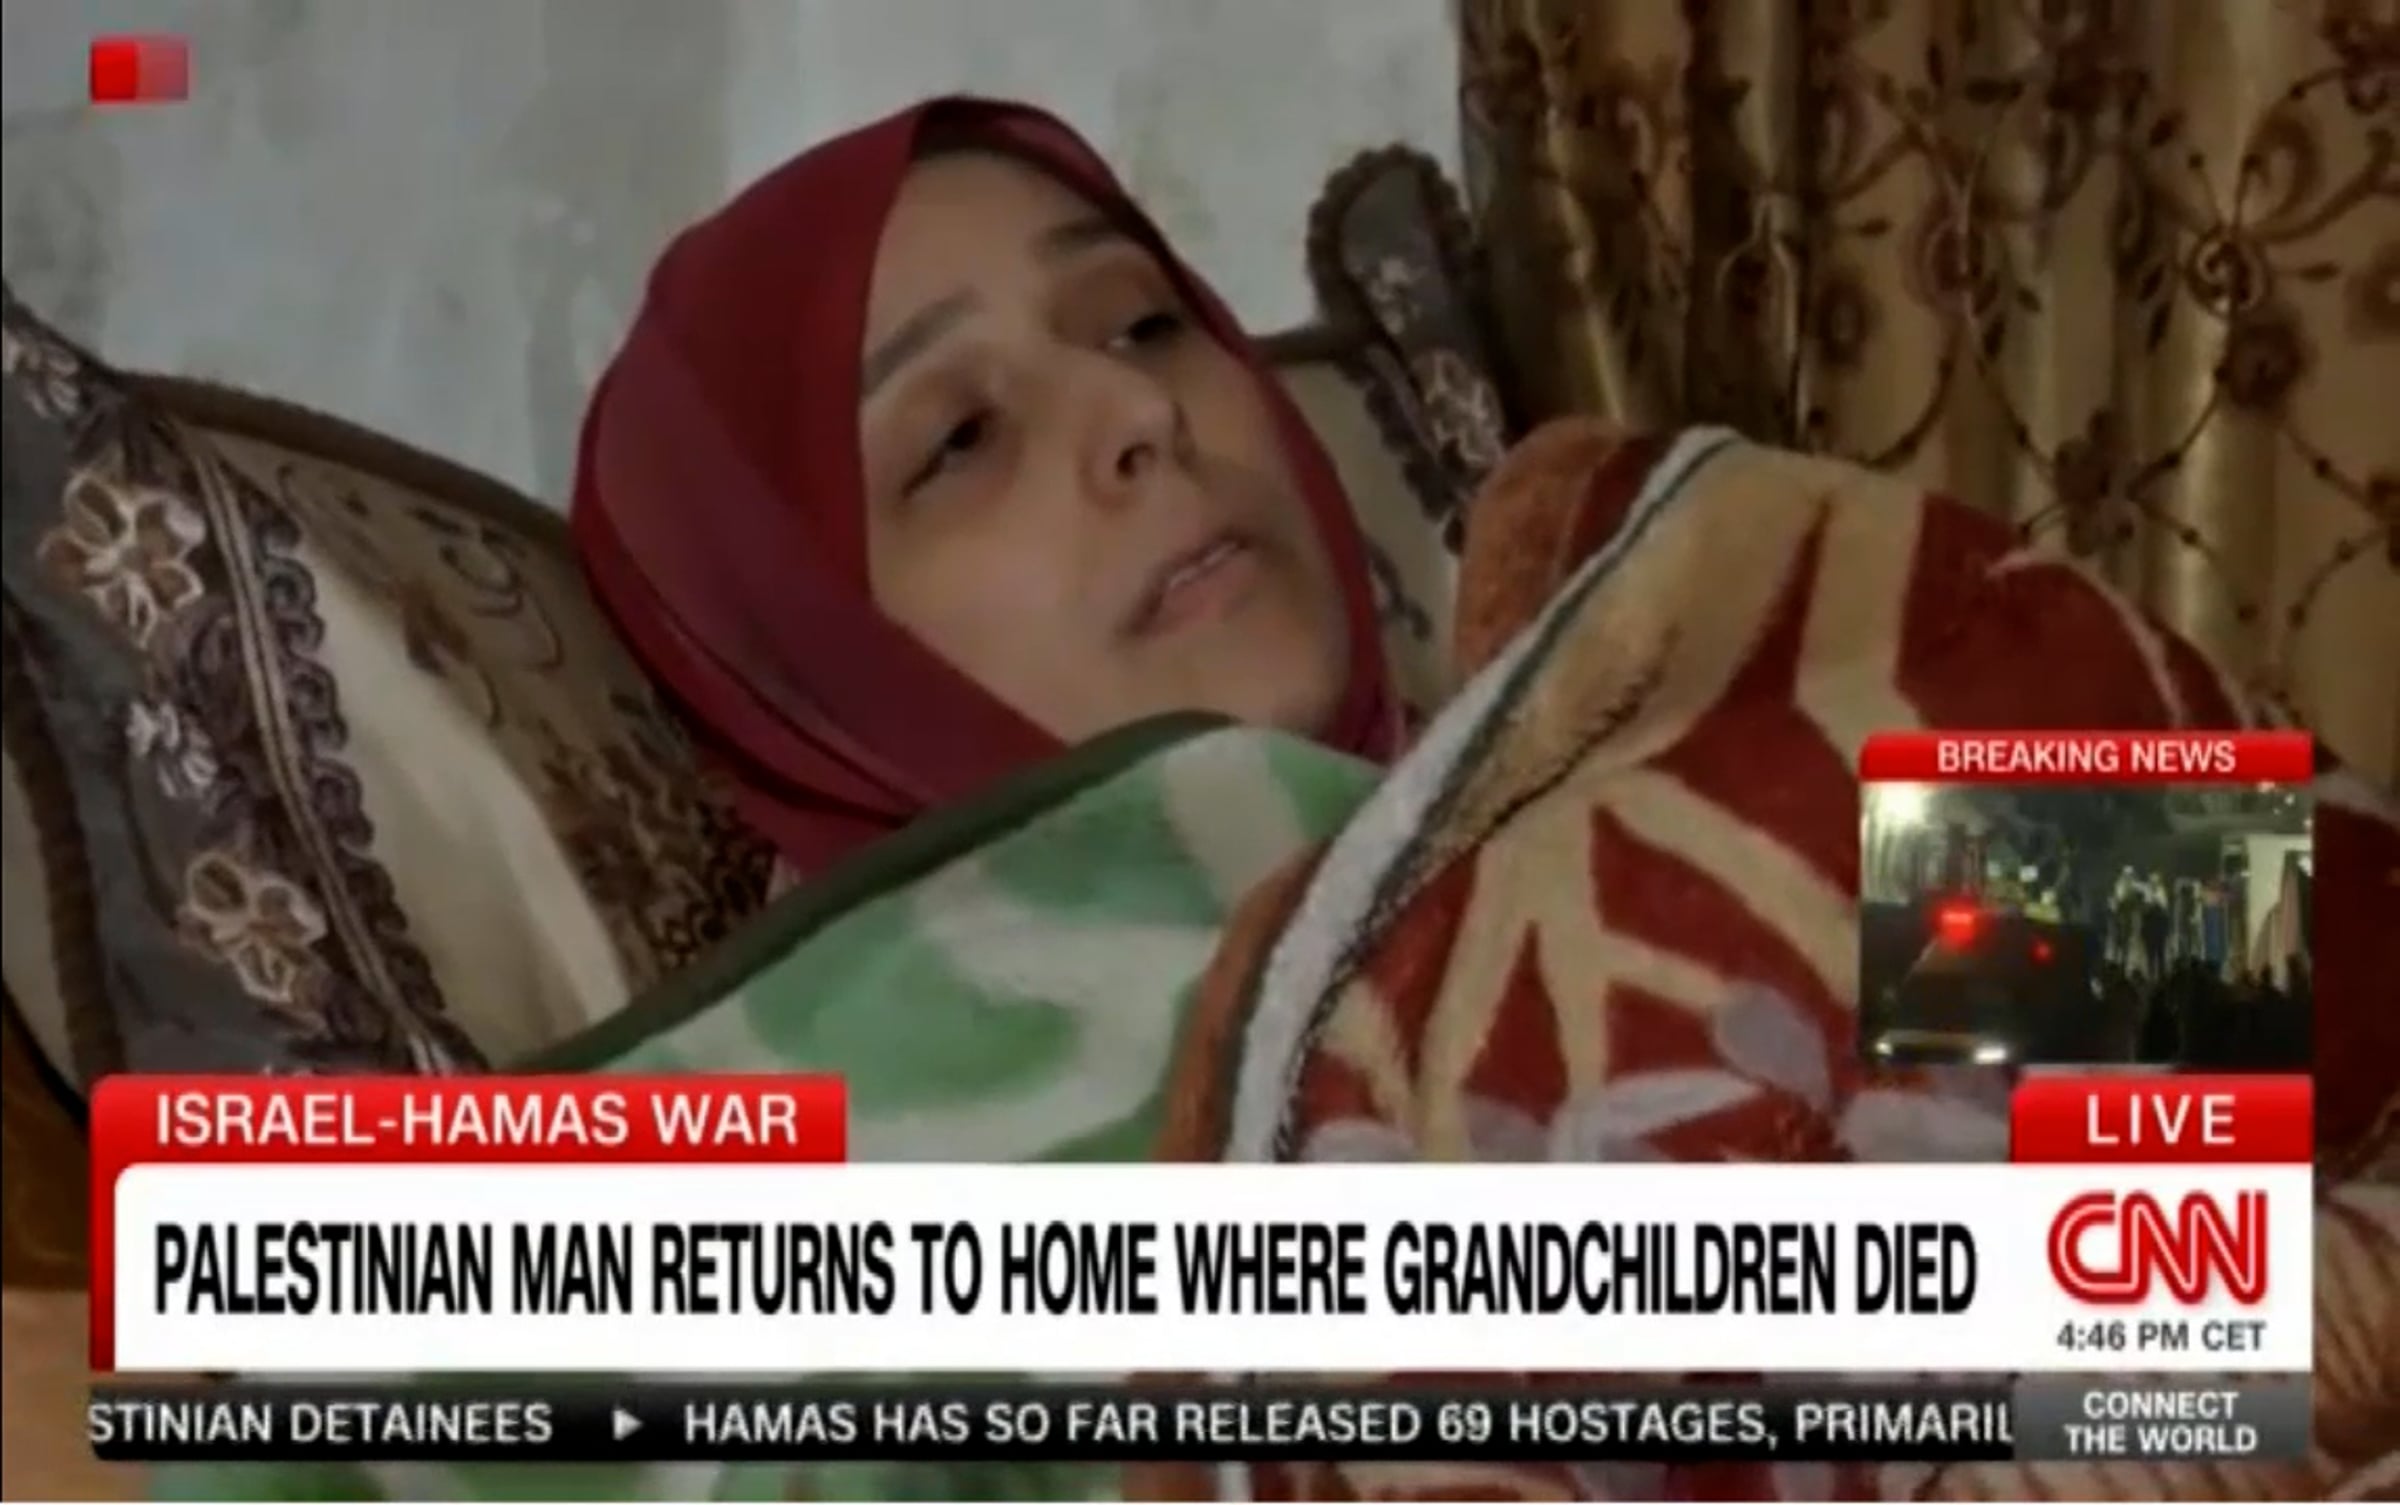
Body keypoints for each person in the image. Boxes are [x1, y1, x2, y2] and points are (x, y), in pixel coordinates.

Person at [571, 96, 1402, 880]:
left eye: (1144, 326)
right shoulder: (897, 992)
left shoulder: (1480, 788)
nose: (1144, 409)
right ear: (814, 677)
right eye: (963, 438)